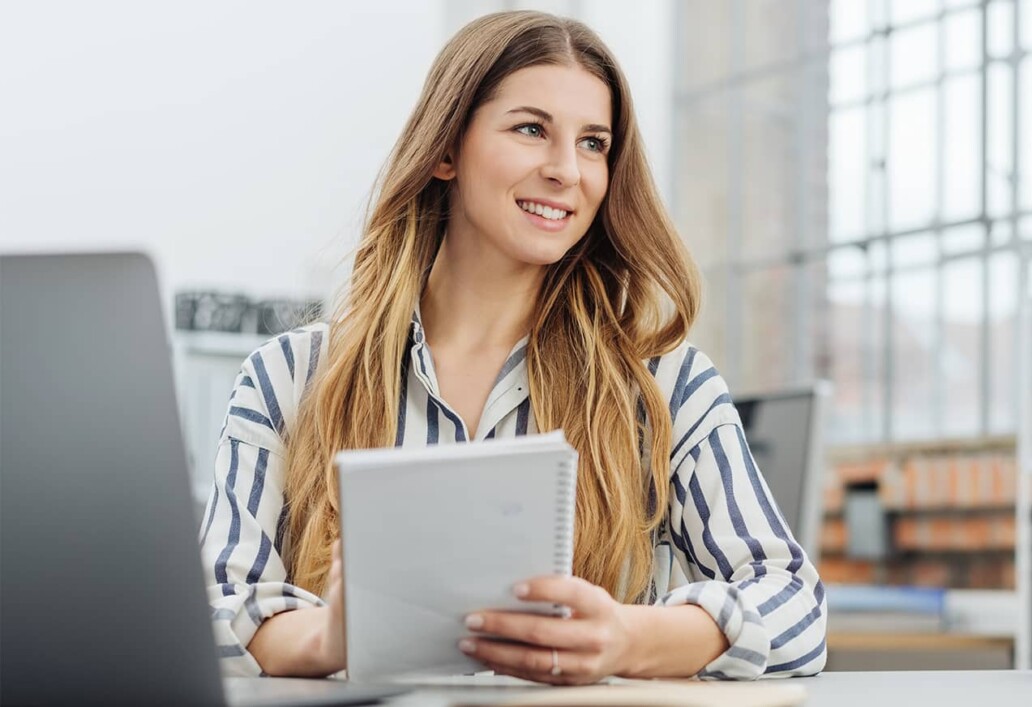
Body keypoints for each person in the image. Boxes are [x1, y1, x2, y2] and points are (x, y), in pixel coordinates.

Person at [200, 10, 826, 685]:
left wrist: (626, 638)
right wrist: (330, 637)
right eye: (532, 129)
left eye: (593, 143)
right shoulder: (287, 378)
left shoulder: (666, 387)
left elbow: (795, 605)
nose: (567, 170)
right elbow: (214, 608)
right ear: (446, 151)